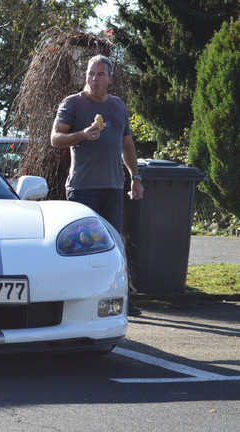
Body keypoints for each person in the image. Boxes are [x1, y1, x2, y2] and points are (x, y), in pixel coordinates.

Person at [50, 54, 144, 316]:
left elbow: (127, 145)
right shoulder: (73, 103)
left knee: (114, 246)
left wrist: (135, 178)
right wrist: (81, 135)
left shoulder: (118, 106)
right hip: (82, 188)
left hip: (113, 187)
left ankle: (119, 299)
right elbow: (55, 139)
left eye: (100, 74)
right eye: (91, 73)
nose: (93, 78)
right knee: (80, 246)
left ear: (110, 79)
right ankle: (75, 301)